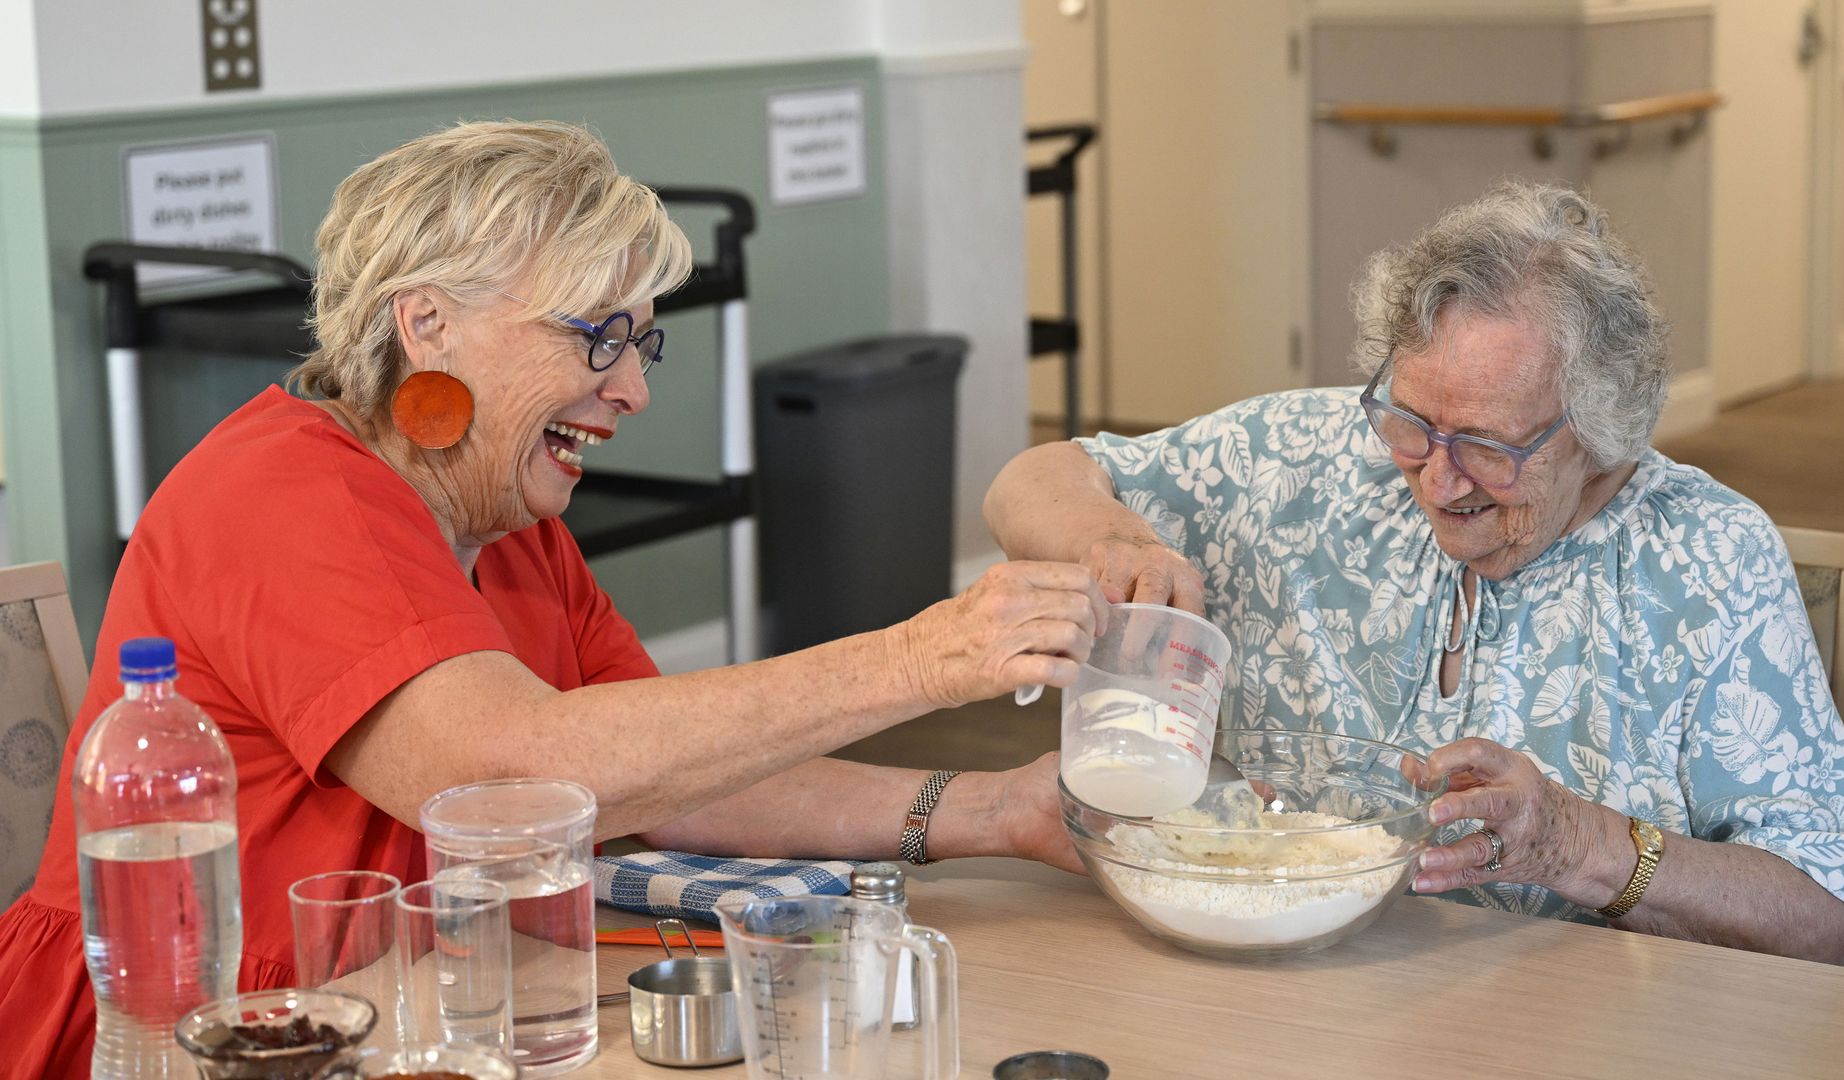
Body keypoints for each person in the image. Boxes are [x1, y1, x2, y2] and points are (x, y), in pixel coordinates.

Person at [0, 120, 1104, 1072]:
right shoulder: (282, 494)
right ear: (425, 324)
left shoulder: (507, 521)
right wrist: (919, 659)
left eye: (643, 341)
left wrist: (998, 811)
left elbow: (670, 786)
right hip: (194, 1037)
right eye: (599, 337)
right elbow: (495, 779)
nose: (633, 388)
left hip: (403, 1008)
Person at [986, 181, 1844, 962]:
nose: (1437, 479)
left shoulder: (1708, 560)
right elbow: (1031, 481)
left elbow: (1828, 909)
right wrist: (1117, 538)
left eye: (1489, 446)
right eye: (1413, 422)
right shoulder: (1303, 455)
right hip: (1293, 984)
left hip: (1585, 1022)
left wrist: (1582, 846)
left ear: (1601, 427)